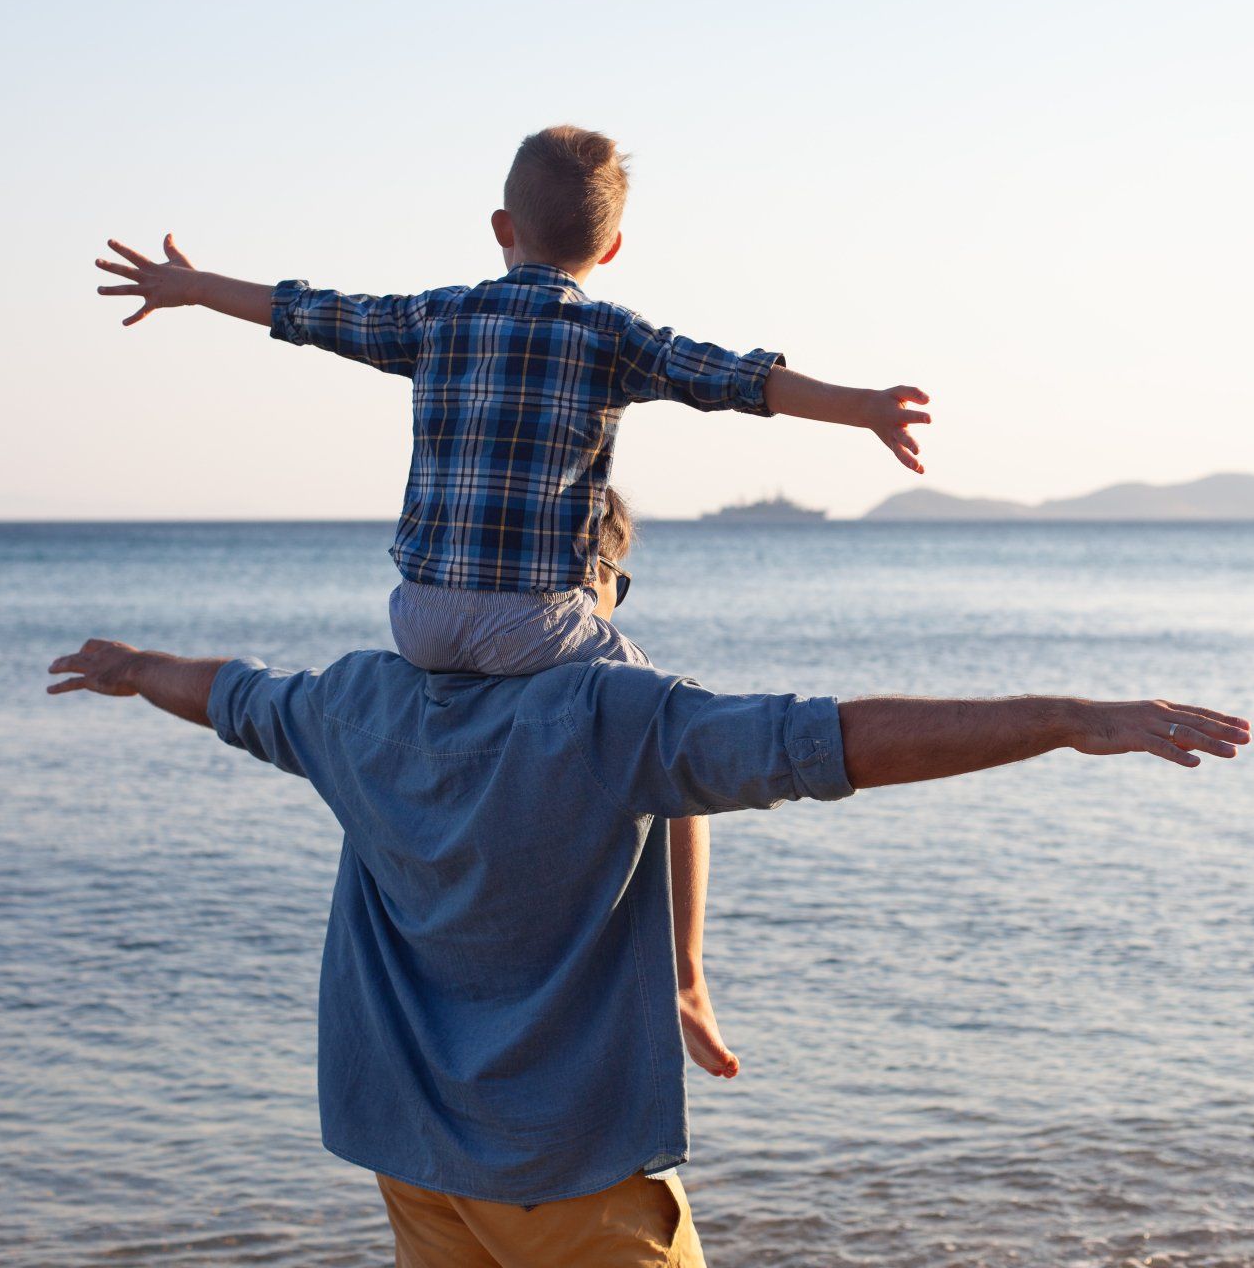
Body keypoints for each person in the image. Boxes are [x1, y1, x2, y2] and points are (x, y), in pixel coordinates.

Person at [45, 501, 1252, 1268]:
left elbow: (234, 693)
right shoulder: (606, 708)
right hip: (568, 1171)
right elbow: (816, 742)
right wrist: (1057, 716)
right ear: (584, 583)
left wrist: (133, 662)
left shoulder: (357, 698)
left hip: (412, 1159)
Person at [91, 125, 935, 1079]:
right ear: (611, 250)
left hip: (419, 618)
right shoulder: (612, 335)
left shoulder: (437, 317)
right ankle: (687, 977)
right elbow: (739, 380)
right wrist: (863, 405)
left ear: (501, 225)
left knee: (559, 682)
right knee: (671, 736)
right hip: (531, 624)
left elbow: (309, 312)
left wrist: (199, 288)